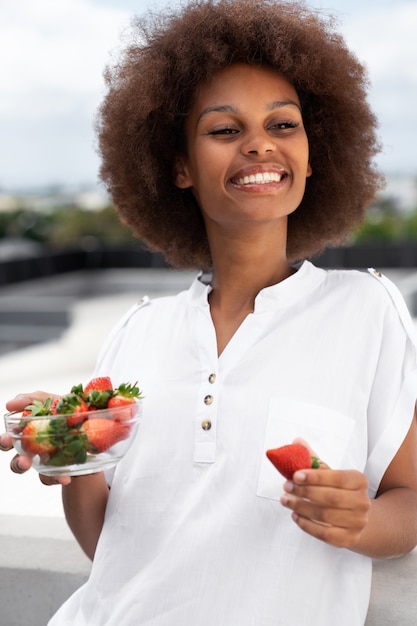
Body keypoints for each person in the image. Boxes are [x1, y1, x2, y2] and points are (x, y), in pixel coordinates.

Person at [1, 1, 417, 624]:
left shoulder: (366, 309)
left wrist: (359, 520)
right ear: (178, 167)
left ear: (312, 154)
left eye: (284, 125)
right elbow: (113, 552)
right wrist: (72, 456)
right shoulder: (137, 332)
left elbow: (409, 504)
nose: (258, 146)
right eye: (224, 131)